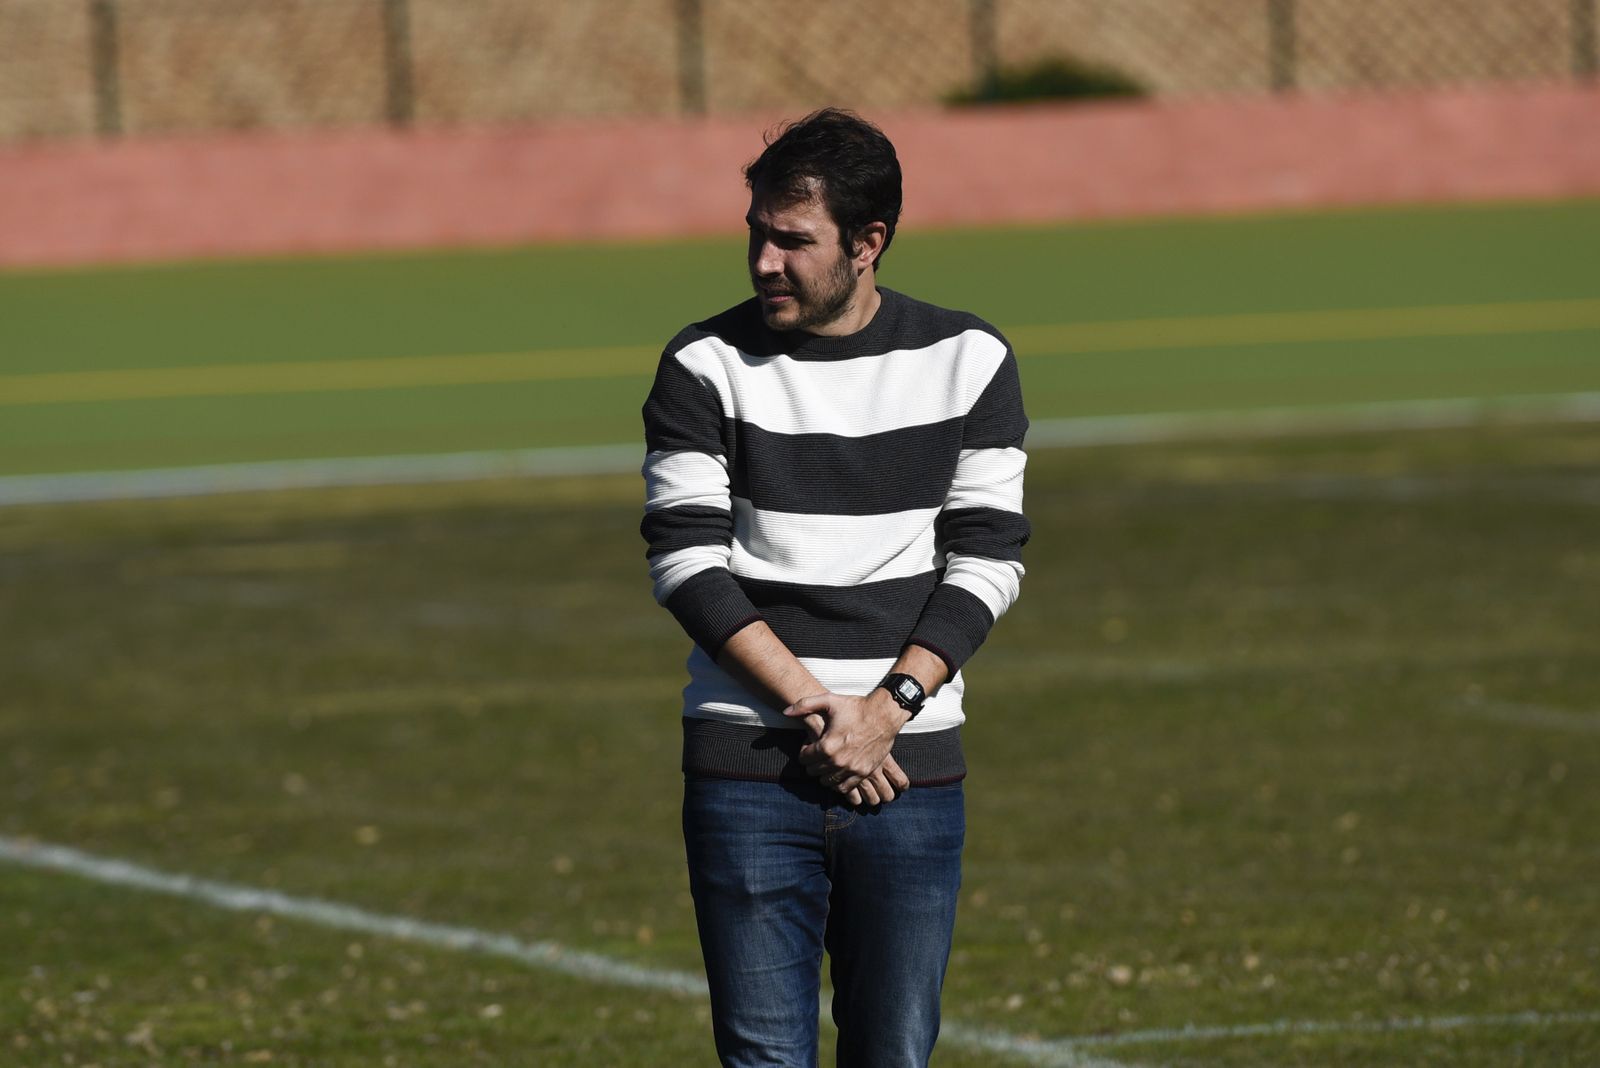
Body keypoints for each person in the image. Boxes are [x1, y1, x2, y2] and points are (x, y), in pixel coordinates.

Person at [640, 108, 1029, 1068]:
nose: (765, 261)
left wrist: (889, 708)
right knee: (765, 1057)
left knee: (893, 1053)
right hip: (749, 772)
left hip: (909, 770)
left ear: (869, 244)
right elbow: (687, 561)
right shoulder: (703, 364)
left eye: (792, 241)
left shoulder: (969, 360)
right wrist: (822, 712)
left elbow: (988, 556)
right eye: (756, 235)